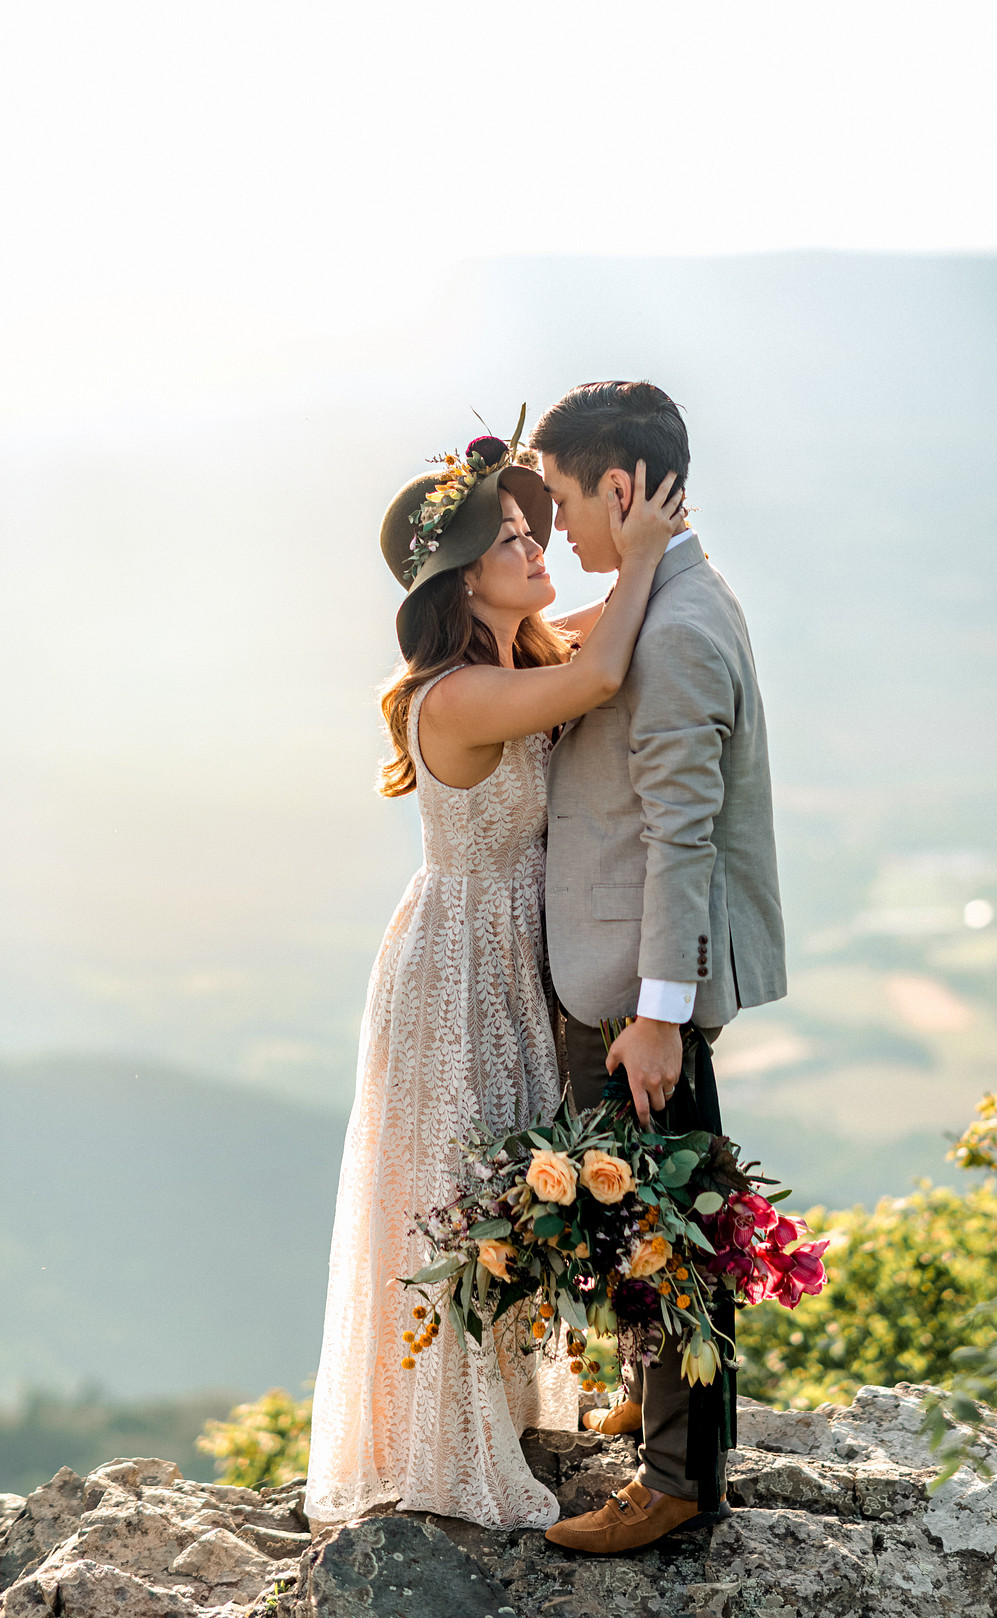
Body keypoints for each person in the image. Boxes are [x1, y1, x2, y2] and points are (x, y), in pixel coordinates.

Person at [303, 426, 684, 1532]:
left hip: (515, 953)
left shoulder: (520, 655)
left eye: (531, 526)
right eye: (511, 537)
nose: (535, 545)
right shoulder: (457, 693)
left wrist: (654, 564)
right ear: (465, 579)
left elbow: (600, 635)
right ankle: (446, 1442)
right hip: (460, 964)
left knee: (515, 1182)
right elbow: (603, 669)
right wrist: (644, 552)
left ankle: (507, 1407)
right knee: (462, 1193)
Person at [533, 381, 787, 1554]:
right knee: (646, 1202)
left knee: (668, 1219)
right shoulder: (673, 593)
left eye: (566, 501)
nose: (561, 528)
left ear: (623, 488)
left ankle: (678, 1480)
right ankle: (657, 1399)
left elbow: (682, 831)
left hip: (639, 985)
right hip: (629, 973)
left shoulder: (678, 628)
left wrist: (658, 1014)